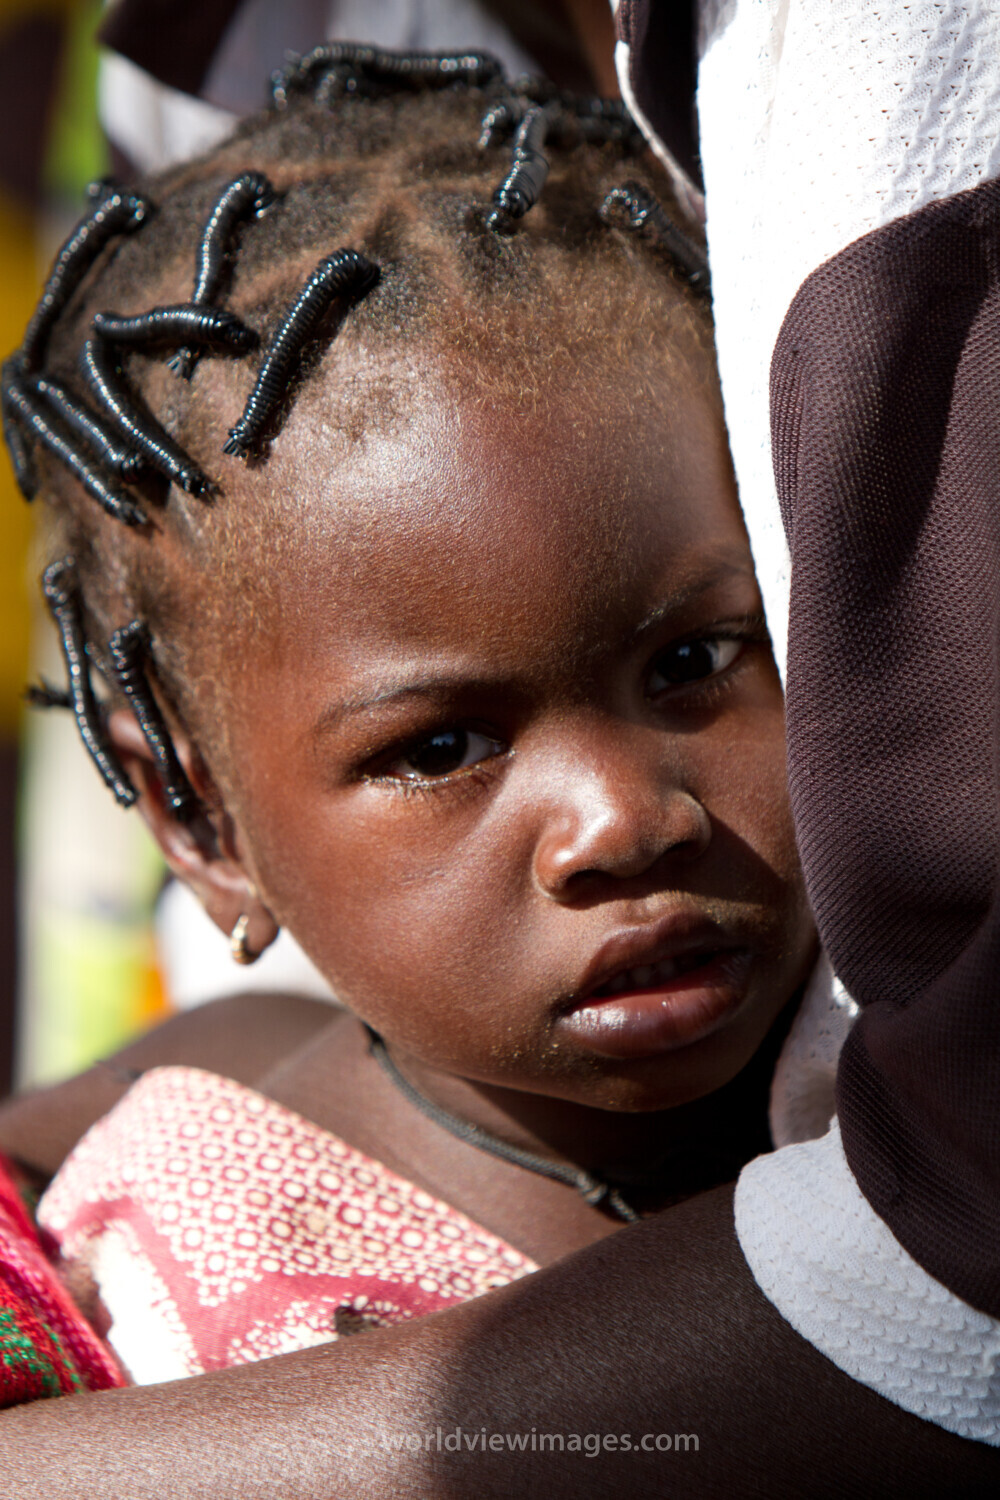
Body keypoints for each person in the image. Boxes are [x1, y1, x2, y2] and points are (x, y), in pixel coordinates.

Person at [1, 32, 999, 1500]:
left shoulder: (901, 1072)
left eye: (692, 662)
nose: (621, 820)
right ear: (199, 822)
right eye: (443, 747)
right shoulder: (163, 1193)